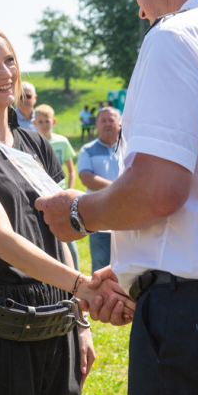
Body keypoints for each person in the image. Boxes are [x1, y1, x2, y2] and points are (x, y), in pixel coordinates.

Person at [35, 0, 198, 395]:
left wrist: (78, 212)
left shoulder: (176, 35)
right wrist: (137, 272)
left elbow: (158, 190)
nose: (138, 6)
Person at [0, 23, 134, 395]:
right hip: (0, 336)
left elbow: (60, 233)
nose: (7, 73)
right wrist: (84, 287)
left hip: (59, 325)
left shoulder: (35, 143)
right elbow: (2, 240)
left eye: (9, 60)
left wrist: (81, 322)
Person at [34, 104, 80, 270]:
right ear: (34, 123)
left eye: (47, 121)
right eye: (40, 121)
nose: (44, 124)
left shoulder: (62, 141)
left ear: (53, 121)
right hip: (41, 198)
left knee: (69, 239)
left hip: (61, 196)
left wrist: (70, 192)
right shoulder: (32, 144)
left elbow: (71, 171)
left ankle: (77, 273)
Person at [76, 107, 121, 273]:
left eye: (111, 120)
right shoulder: (87, 150)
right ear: (96, 124)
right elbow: (86, 178)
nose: (108, 124)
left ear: (119, 124)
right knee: (100, 268)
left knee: (129, 269)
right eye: (103, 120)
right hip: (99, 219)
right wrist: (120, 190)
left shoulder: (129, 148)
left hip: (129, 219)